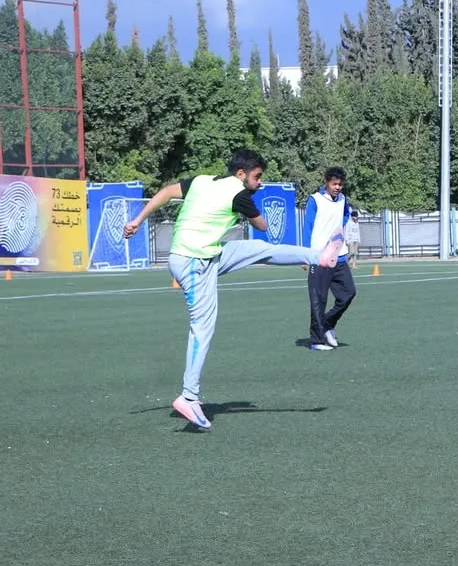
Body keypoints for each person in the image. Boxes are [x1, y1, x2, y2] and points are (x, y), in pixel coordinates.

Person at [123, 149, 343, 430]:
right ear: (241, 174)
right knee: (202, 327)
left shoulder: (202, 181)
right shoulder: (240, 194)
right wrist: (249, 210)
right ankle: (189, 396)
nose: (260, 182)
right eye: (257, 177)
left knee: (259, 250)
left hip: (208, 255)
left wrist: (137, 220)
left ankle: (320, 257)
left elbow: (166, 191)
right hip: (194, 262)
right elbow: (262, 225)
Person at [303, 167, 357, 351]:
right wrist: (306, 255)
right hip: (319, 258)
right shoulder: (315, 200)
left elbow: (345, 215)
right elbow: (308, 227)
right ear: (326, 182)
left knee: (348, 293)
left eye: (340, 184)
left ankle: (327, 323)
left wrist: (338, 232)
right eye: (334, 184)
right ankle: (316, 341)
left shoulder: (343, 200)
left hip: (339, 256)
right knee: (319, 299)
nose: (338, 187)